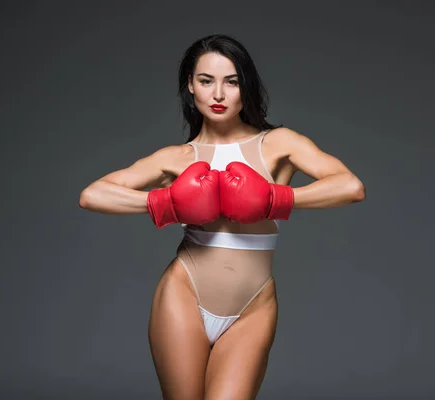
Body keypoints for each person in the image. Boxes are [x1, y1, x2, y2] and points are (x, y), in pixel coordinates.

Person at [79, 34, 365, 400]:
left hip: (252, 306)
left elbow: (350, 187)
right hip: (184, 294)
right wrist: (166, 202)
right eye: (205, 81)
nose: (218, 94)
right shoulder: (178, 157)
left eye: (231, 82)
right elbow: (93, 195)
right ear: (190, 86)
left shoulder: (277, 144)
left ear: (244, 86)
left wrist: (275, 200)